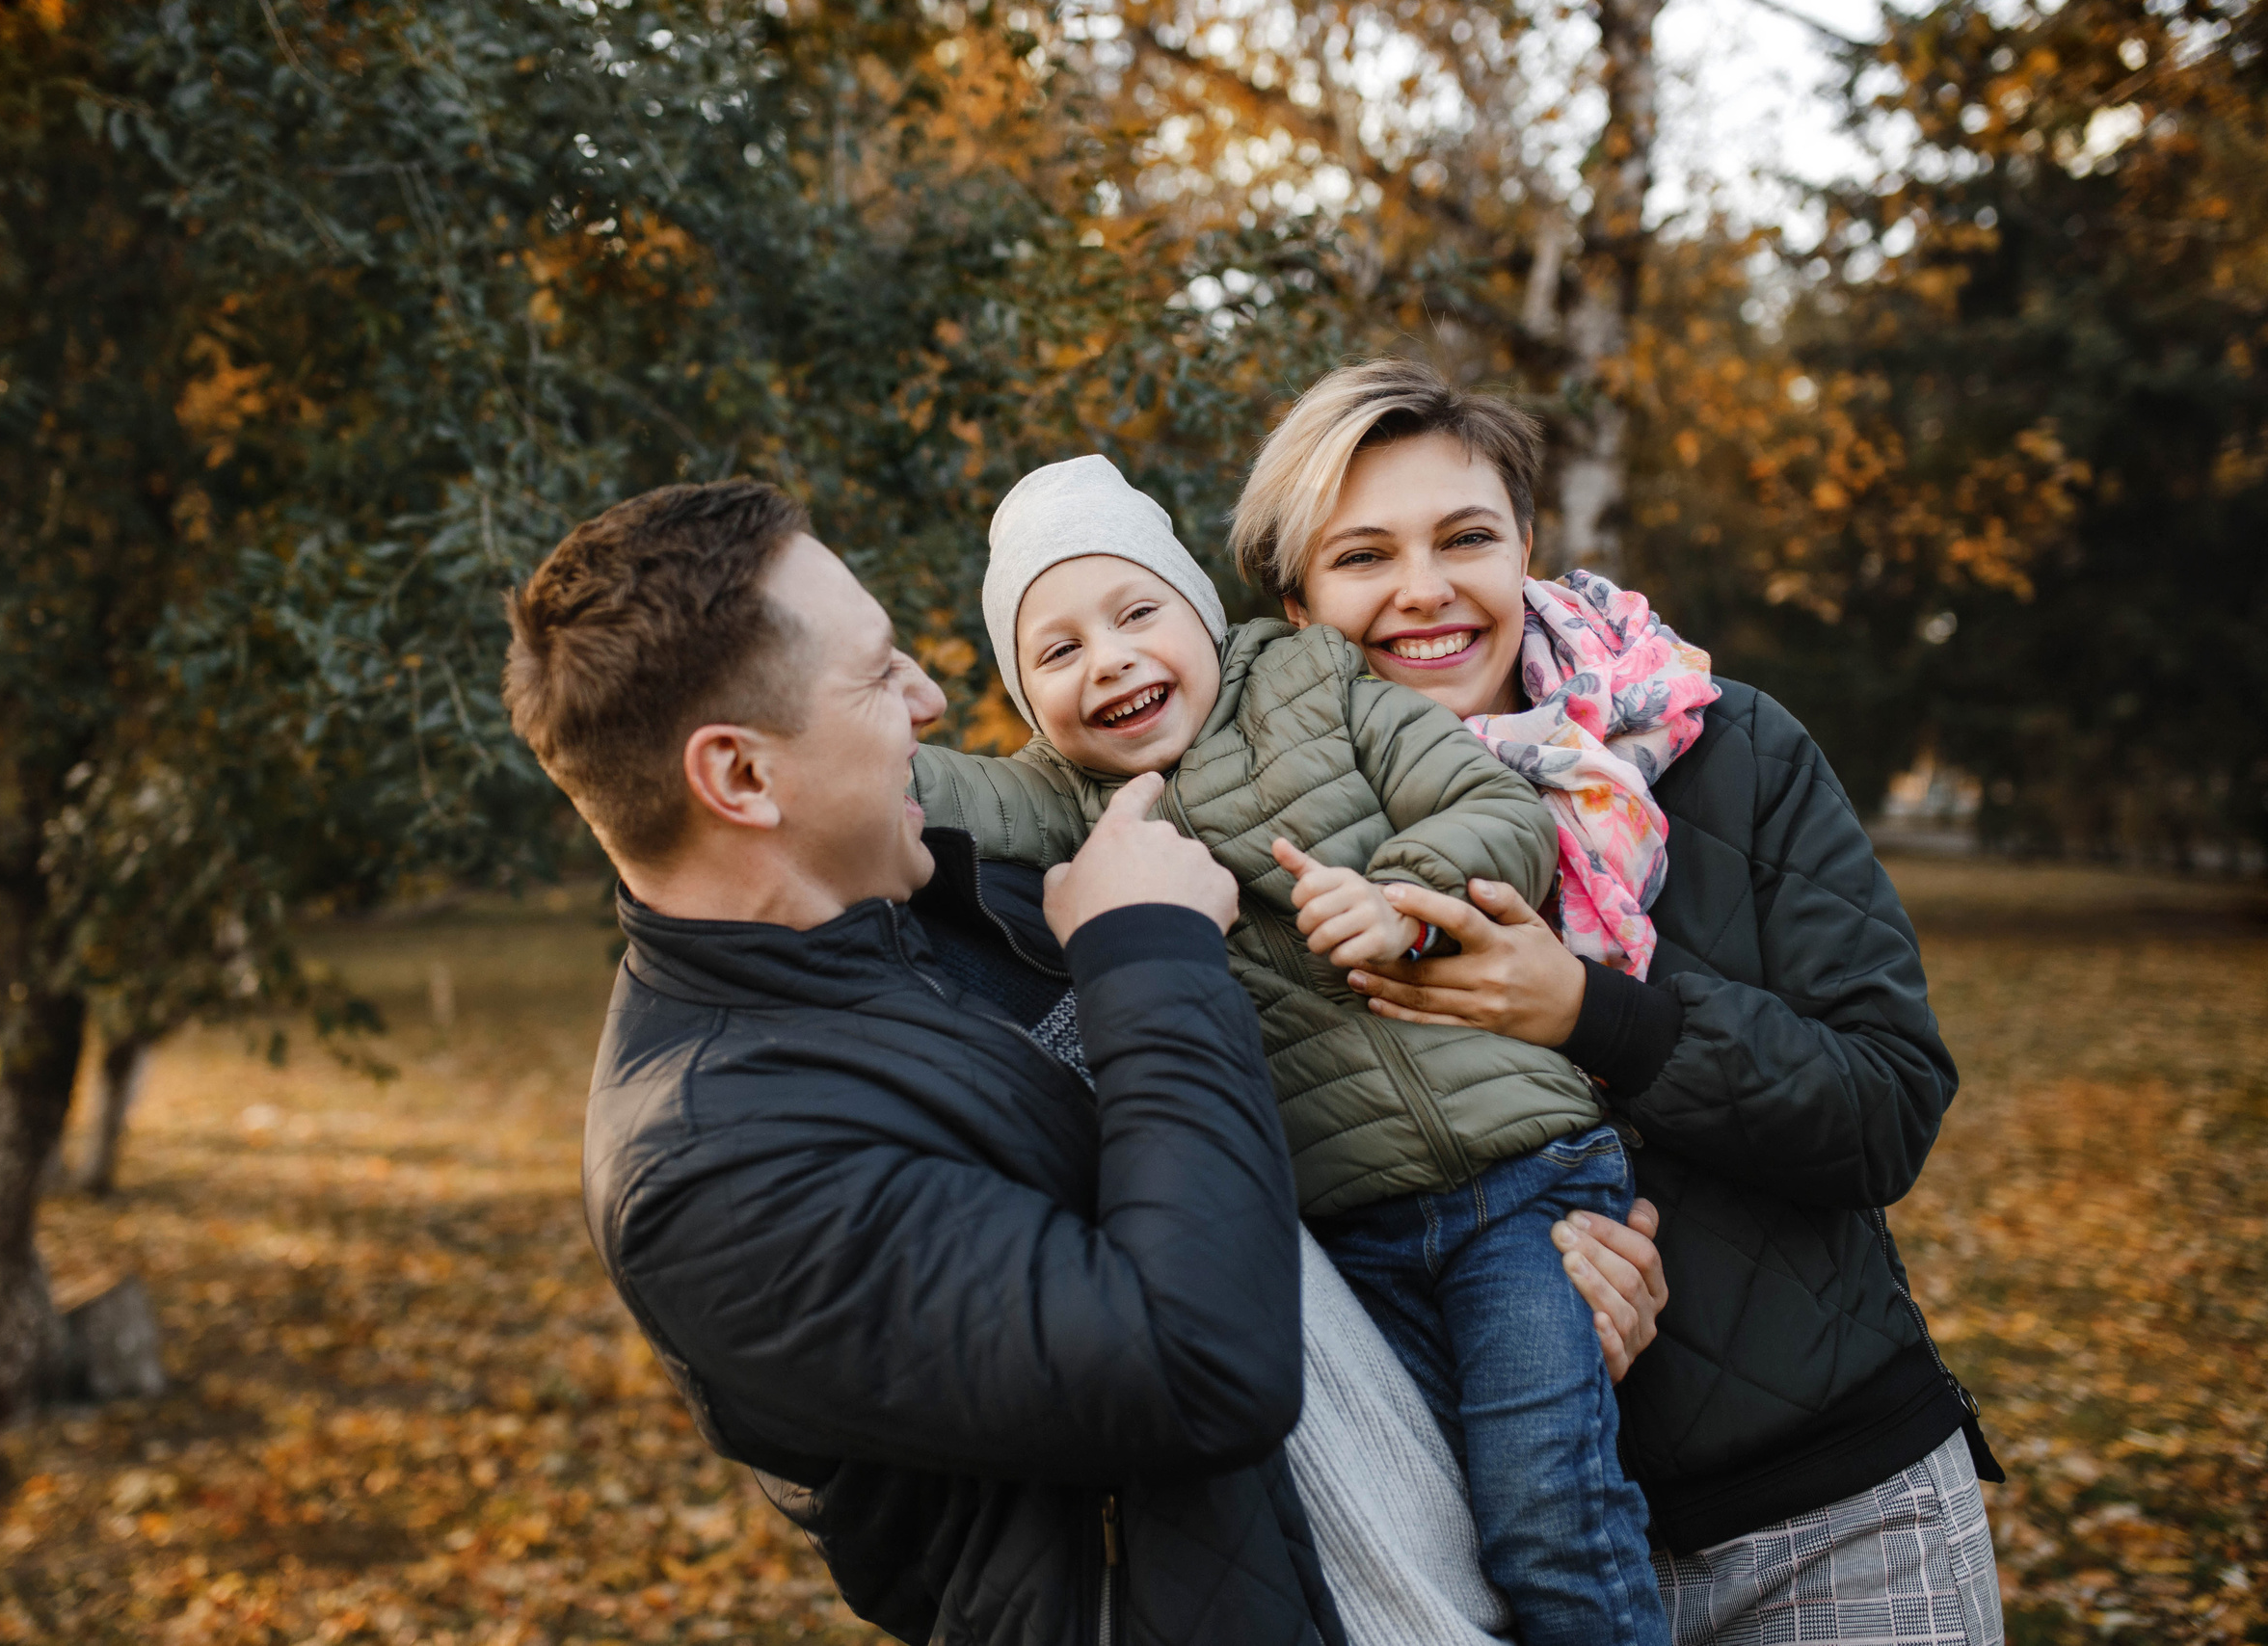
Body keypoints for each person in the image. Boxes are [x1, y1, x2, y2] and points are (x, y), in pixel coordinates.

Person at [499, 479, 1672, 1646]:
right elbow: (1191, 1370)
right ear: (741, 776)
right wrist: (1147, 954)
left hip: (1482, 1577)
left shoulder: (971, 897)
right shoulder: (717, 1165)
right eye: (876, 674)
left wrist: (1533, 1302)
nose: (929, 696)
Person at [1230, 356, 2005, 1646]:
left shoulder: (1720, 744)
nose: (1426, 590)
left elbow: (1886, 1106)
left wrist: (1599, 1016)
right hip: (1491, 1567)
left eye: (1466, 536)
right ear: (1299, 600)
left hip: (1834, 1517)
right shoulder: (1262, 852)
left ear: (1527, 543)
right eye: (1364, 556)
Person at [910, 453, 1672, 1645]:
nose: (1106, 657)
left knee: (1545, 1513)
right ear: (1027, 694)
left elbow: (1499, 814)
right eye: (1054, 652)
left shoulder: (1316, 681)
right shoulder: (1072, 797)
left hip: (1519, 1182)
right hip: (1353, 1226)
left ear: (1203, 615)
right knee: (1437, 1530)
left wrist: (1402, 899)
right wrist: (819, 729)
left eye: (1135, 613)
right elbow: (936, 796)